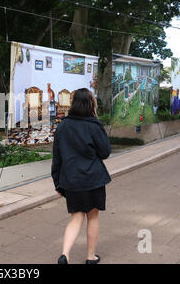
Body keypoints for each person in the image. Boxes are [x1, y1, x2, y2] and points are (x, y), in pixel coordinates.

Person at [51, 88, 112, 264]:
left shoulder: (63, 126)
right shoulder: (94, 125)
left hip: (72, 180)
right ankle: (90, 257)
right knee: (92, 216)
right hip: (93, 179)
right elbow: (105, 152)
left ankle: (65, 255)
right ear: (90, 103)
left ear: (74, 103)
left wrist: (58, 183)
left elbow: (57, 158)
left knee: (75, 218)